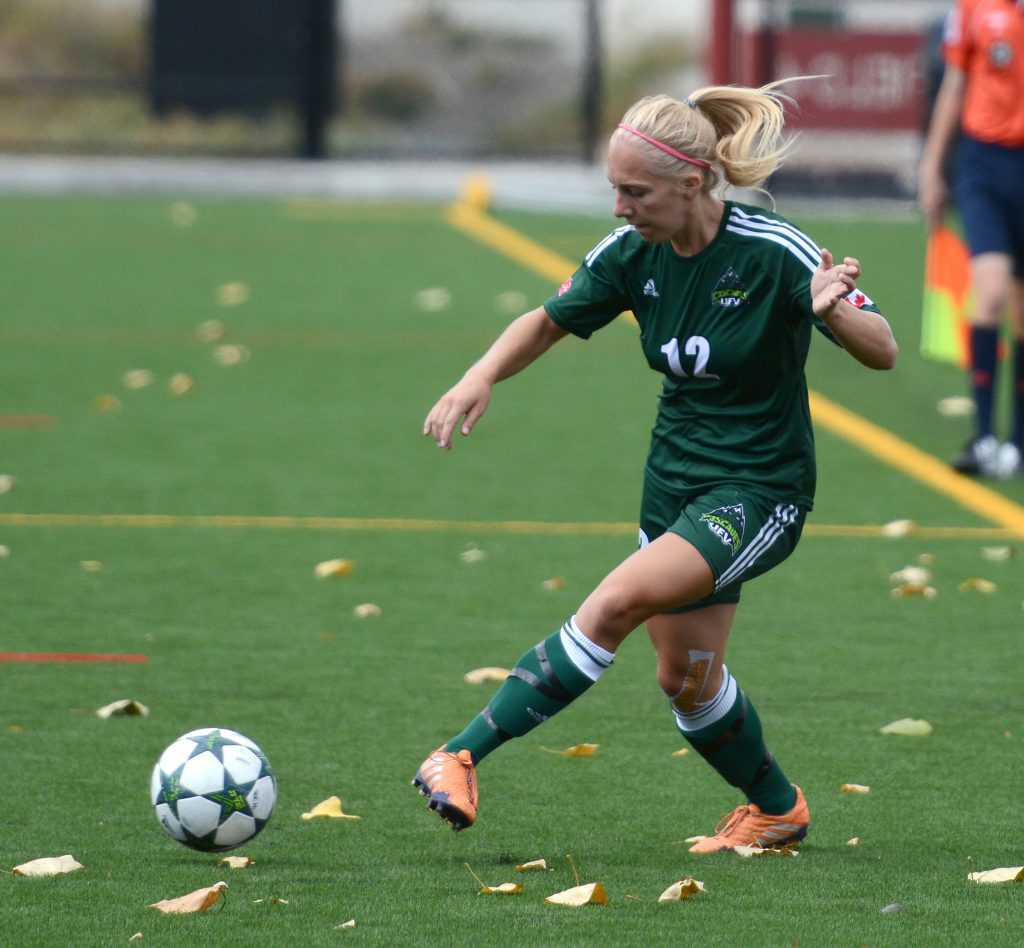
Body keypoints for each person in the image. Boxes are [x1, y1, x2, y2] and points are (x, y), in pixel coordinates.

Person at [413, 81, 898, 853]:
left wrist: (831, 306)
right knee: (688, 683)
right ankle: (778, 809)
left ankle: (461, 752)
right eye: (614, 187)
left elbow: (883, 351)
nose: (618, 206)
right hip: (673, 483)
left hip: (758, 492)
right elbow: (546, 321)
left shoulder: (775, 252)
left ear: (693, 183)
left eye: (633, 190)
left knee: (613, 604)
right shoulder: (633, 253)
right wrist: (479, 376)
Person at [918, 0, 1024, 478]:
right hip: (983, 164)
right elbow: (954, 85)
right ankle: (983, 436)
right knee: (993, 288)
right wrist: (932, 168)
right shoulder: (974, 9)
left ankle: (1017, 442)